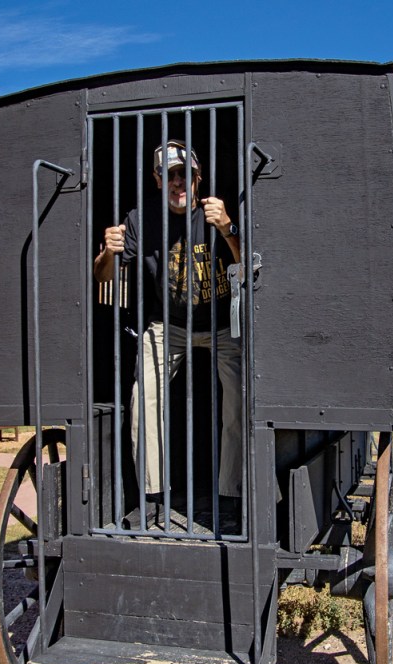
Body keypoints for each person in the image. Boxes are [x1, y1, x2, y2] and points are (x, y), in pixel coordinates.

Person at [94, 140, 242, 519]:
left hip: (222, 324)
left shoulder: (216, 213)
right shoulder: (140, 220)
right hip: (169, 326)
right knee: (143, 399)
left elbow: (249, 264)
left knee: (240, 400)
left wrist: (227, 228)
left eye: (185, 175)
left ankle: (232, 493)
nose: (178, 183)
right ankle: (154, 497)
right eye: (169, 175)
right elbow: (102, 278)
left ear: (198, 178)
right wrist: (107, 253)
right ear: (158, 181)